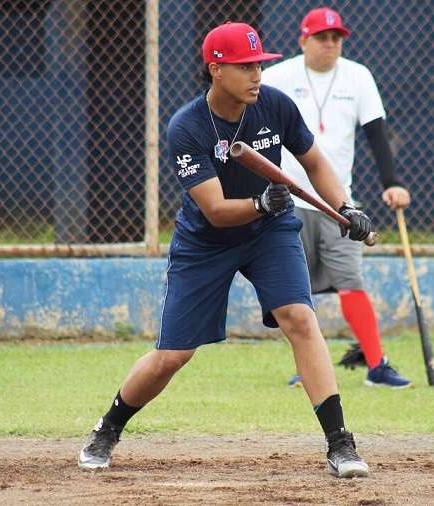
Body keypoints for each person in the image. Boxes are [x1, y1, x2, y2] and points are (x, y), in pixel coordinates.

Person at [78, 21, 374, 479]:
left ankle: (340, 443)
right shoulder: (188, 126)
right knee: (173, 355)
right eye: (245, 66)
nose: (257, 74)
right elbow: (215, 209)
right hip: (206, 243)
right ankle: (109, 426)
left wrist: (345, 206)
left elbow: (314, 162)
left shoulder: (274, 105)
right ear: (216, 70)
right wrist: (258, 201)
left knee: (299, 318)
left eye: (259, 64)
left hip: (270, 233)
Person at [262, 7, 413, 389]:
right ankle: (307, 363)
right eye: (321, 38)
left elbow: (376, 133)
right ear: (303, 40)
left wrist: (391, 181)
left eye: (336, 38)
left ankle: (376, 365)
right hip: (288, 201)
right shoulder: (278, 77)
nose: (330, 45)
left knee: (351, 280)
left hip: (337, 201)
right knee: (296, 290)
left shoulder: (358, 76)